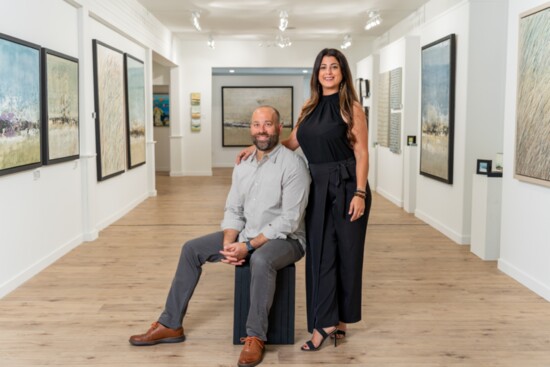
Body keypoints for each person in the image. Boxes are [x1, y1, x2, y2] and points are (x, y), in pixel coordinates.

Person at [129, 106, 311, 367]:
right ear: (250, 129)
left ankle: (255, 337)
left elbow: (290, 220)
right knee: (191, 249)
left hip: (287, 240)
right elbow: (234, 208)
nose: (262, 130)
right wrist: (229, 243)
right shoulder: (243, 165)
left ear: (279, 128)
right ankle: (170, 324)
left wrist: (247, 246)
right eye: (257, 124)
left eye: (268, 124)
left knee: (261, 260)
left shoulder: (293, 165)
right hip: (248, 233)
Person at [236, 48, 371, 351]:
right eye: (323, 67)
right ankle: (324, 320)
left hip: (348, 185)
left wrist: (360, 192)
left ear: (342, 72)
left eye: (334, 67)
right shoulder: (308, 108)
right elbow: (290, 143)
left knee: (348, 257)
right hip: (318, 186)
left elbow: (362, 153)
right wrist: (255, 148)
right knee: (321, 254)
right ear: (316, 73)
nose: (328, 72)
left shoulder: (352, 107)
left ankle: (340, 321)